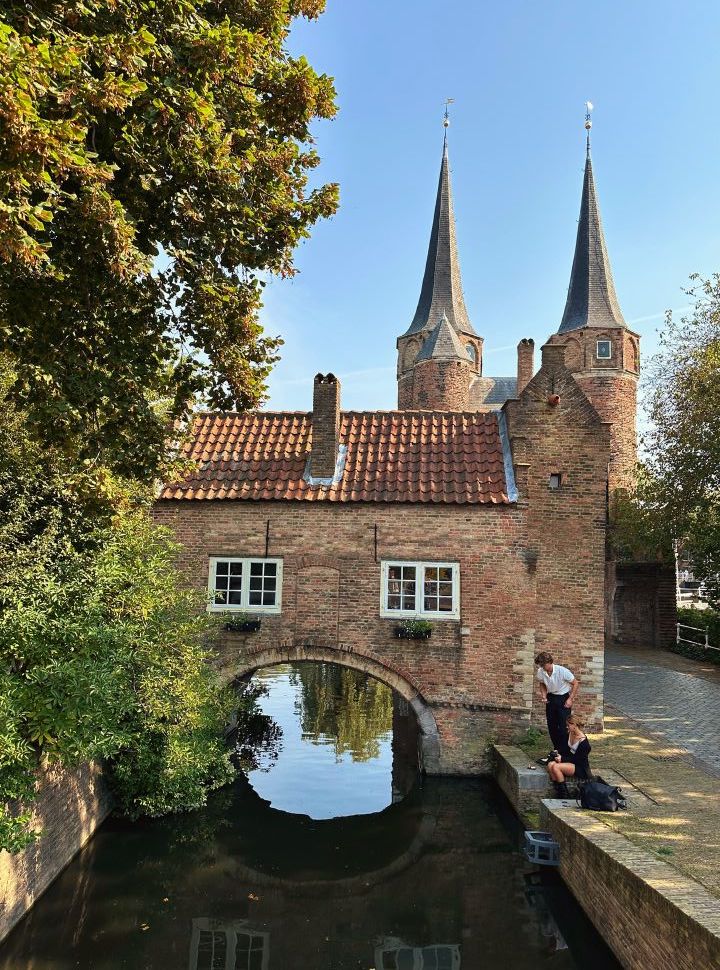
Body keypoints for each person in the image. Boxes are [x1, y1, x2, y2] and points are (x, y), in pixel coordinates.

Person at [534, 651, 579, 756]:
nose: (543, 667)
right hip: (551, 698)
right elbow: (542, 683)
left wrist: (570, 699)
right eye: (541, 665)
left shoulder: (562, 671)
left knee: (564, 726)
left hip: (563, 698)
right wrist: (544, 696)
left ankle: (565, 751)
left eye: (544, 665)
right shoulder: (541, 672)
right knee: (552, 726)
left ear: (550, 662)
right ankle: (557, 750)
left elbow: (575, 683)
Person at [546, 715, 591, 798]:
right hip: (570, 761)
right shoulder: (570, 734)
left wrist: (562, 758)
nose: (567, 727)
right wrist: (558, 752)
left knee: (556, 767)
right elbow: (565, 748)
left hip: (580, 767)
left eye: (568, 725)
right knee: (550, 765)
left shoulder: (584, 744)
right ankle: (558, 790)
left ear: (574, 725)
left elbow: (577, 760)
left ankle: (564, 795)